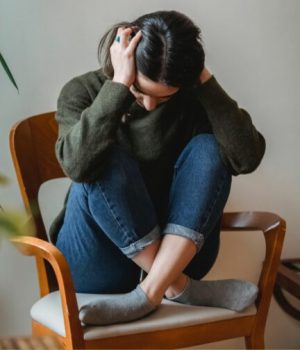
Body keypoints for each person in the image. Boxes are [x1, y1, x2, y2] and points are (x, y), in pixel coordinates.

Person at [50, 10, 266, 326]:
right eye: (140, 91)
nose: (150, 105)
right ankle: (178, 287)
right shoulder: (82, 91)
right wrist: (119, 87)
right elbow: (77, 166)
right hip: (95, 260)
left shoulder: (192, 97)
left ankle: (149, 291)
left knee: (210, 148)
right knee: (103, 157)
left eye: (162, 99)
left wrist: (205, 81)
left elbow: (246, 158)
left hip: (180, 251)